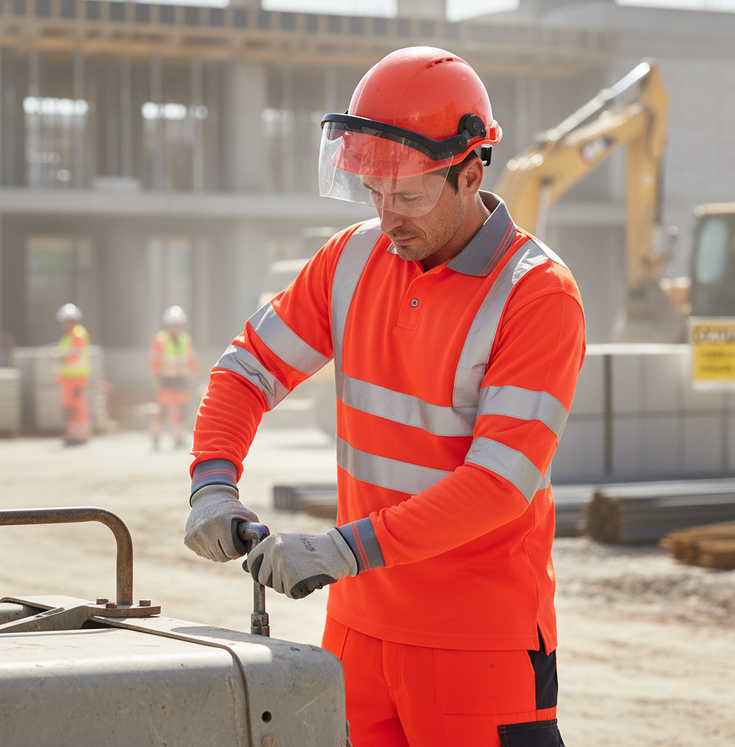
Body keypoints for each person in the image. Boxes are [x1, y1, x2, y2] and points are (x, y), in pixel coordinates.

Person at [184, 46, 585, 746]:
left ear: (469, 171)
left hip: (477, 646)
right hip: (358, 633)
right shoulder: (351, 258)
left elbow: (497, 485)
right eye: (372, 193)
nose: (387, 215)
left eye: (408, 196)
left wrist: (343, 549)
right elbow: (249, 368)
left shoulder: (537, 295)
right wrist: (212, 481)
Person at [150, 306, 199, 450]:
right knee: (163, 411)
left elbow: (192, 359)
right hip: (166, 380)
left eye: (178, 326)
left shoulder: (185, 340)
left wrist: (195, 374)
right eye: (173, 325)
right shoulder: (160, 340)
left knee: (181, 410)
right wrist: (156, 377)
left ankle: (179, 438)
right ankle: (157, 437)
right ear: (168, 326)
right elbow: (154, 360)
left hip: (182, 380)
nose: (175, 328)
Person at [55, 303, 91, 446]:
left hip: (77, 378)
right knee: (69, 408)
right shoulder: (67, 336)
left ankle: (81, 435)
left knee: (77, 407)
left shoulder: (78, 334)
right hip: (67, 379)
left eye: (66, 321)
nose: (64, 325)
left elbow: (74, 355)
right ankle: (72, 434)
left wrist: (62, 358)